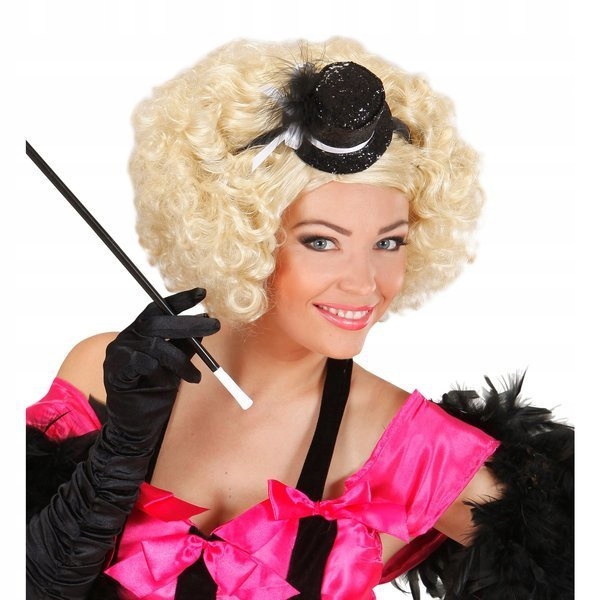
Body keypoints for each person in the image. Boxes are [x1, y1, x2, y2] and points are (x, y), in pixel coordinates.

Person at [25, 37, 573, 599]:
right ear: (242, 236)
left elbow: (555, 561)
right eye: (321, 241)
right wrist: (119, 449)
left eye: (388, 243)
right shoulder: (106, 375)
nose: (364, 282)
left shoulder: (407, 447)